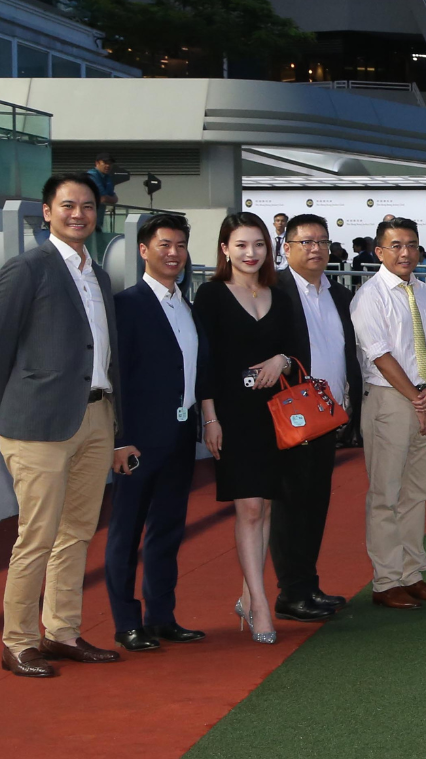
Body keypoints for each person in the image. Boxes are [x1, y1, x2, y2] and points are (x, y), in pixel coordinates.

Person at [0, 173, 123, 677]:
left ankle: (61, 632)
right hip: (38, 423)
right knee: (37, 536)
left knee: (77, 532)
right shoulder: (27, 268)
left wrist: (116, 421)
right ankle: (17, 641)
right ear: (47, 212)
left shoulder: (100, 276)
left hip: (96, 416)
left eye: (88, 206)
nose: (79, 214)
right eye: (68, 205)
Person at [195, 213, 308, 643]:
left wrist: (282, 360)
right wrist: (210, 417)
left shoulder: (280, 295)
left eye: (259, 244)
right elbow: (204, 362)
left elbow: (297, 352)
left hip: (275, 415)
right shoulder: (210, 295)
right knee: (250, 509)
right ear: (225, 249)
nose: (251, 253)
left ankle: (248, 594)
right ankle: (260, 605)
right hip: (232, 415)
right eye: (241, 245)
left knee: (267, 508)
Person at [106, 213, 205, 652]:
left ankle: (161, 617)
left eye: (180, 245)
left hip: (180, 437)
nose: (174, 253)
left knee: (167, 530)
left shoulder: (188, 306)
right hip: (137, 441)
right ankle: (127, 623)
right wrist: (120, 438)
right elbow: (118, 376)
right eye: (164, 245)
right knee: (126, 533)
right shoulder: (126, 305)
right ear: (143, 250)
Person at [349, 217, 426, 610]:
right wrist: (418, 399)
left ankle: (412, 574)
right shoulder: (369, 297)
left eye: (412, 245)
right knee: (385, 495)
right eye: (396, 246)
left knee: (417, 493)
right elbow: (380, 356)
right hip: (390, 400)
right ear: (379, 252)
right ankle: (386, 580)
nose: (405, 253)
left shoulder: (423, 292)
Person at [268, 214, 357, 622]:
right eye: (306, 242)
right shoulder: (274, 292)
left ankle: (308, 584)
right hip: (293, 420)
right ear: (286, 248)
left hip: (329, 417)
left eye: (322, 241)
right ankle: (291, 592)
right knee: (290, 506)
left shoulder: (340, 294)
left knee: (315, 504)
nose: (316, 248)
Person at [86, 152, 119, 223]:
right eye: (105, 163)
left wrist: (111, 198)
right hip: (88, 217)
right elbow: (103, 198)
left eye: (110, 163)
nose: (108, 166)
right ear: (97, 163)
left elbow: (112, 195)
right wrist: (112, 199)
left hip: (99, 217)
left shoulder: (107, 177)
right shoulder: (92, 175)